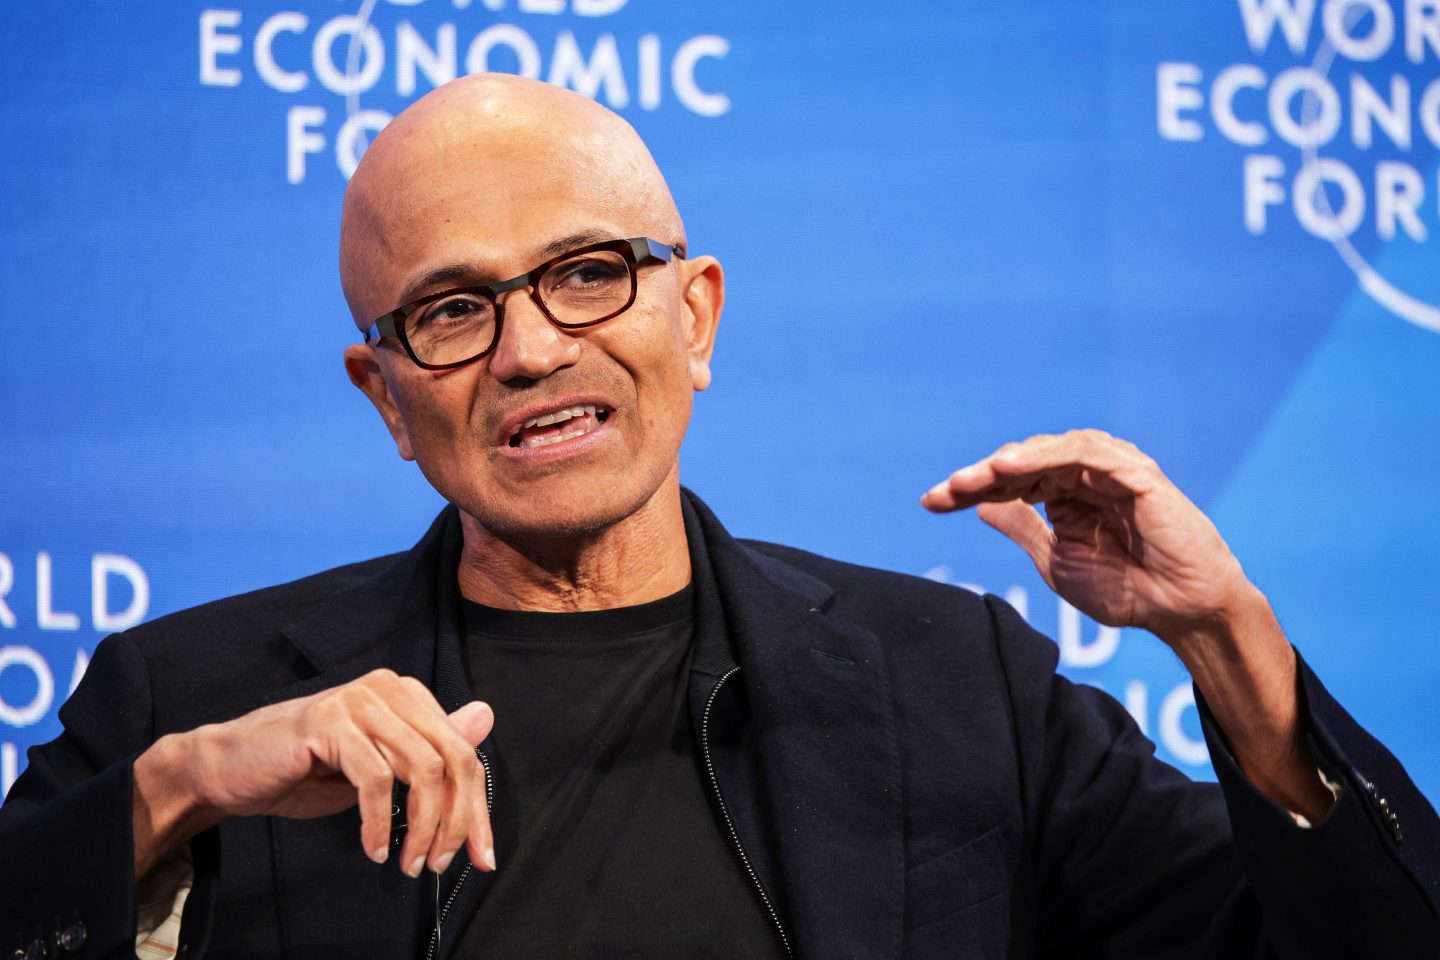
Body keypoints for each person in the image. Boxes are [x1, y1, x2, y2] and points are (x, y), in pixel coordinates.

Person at [2, 73, 1437, 960]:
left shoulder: (955, 685)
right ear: (386, 395)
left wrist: (1232, 650)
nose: (531, 350)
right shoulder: (190, 702)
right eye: (454, 309)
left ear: (695, 316)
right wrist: (171, 796)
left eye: (586, 272)